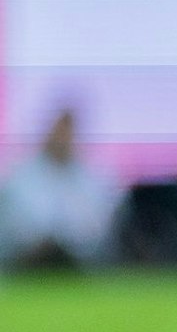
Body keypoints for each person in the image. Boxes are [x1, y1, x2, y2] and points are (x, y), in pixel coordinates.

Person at [0, 109, 122, 272]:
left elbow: (97, 227)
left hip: (79, 264)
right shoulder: (19, 175)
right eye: (58, 131)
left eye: (67, 133)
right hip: (25, 262)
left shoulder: (93, 178)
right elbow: (12, 223)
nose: (62, 138)